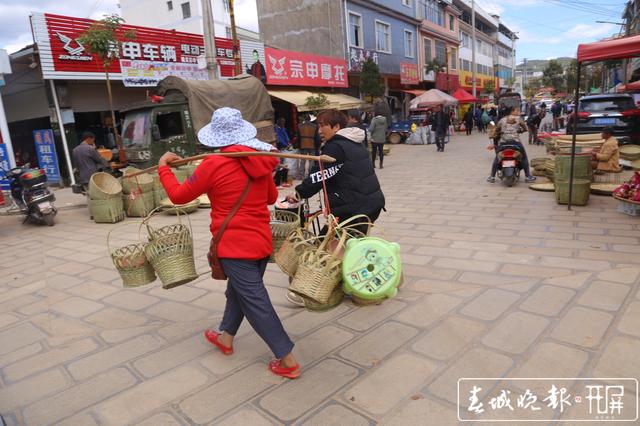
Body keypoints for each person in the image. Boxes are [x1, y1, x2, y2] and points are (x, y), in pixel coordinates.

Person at [157, 107, 300, 379]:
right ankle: (225, 337)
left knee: (255, 301)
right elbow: (270, 197)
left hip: (235, 246)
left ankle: (287, 359)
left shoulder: (212, 163)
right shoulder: (259, 159)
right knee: (238, 293)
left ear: (215, 137)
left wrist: (164, 168)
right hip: (260, 241)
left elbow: (178, 196)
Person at [487, 108, 537, 183]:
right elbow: (525, 129)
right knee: (524, 158)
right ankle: (528, 176)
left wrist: (496, 134)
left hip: (504, 143)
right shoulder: (519, 119)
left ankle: (492, 177)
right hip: (516, 143)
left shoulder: (502, 120)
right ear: (512, 111)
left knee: (497, 158)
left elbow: (496, 130)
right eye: (517, 110)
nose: (518, 112)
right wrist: (519, 131)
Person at [296, 114, 320, 179]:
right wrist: (317, 146)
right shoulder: (315, 126)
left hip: (303, 145)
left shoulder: (299, 126)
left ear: (304, 119)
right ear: (310, 119)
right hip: (312, 145)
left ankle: (301, 175)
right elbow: (317, 137)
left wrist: (298, 146)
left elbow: (298, 137)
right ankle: (310, 174)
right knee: (311, 161)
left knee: (303, 160)